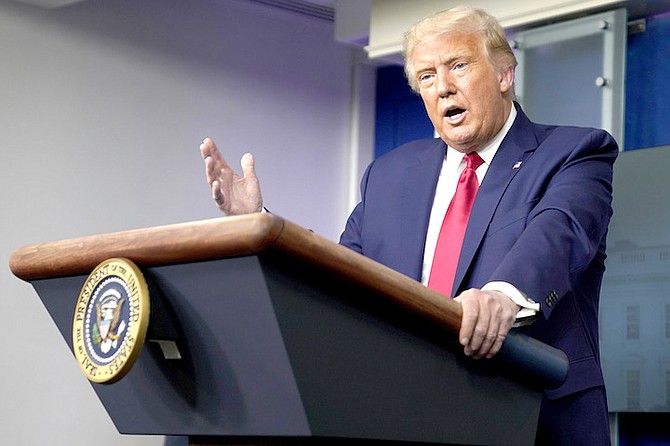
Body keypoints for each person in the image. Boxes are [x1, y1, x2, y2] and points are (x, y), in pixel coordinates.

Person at [201, 6, 617, 444]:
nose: (443, 88)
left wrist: (502, 297)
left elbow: (557, 235)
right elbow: (342, 274)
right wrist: (261, 230)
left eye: (458, 65)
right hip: (405, 415)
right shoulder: (389, 174)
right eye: (427, 77)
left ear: (504, 73)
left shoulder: (574, 153)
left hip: (532, 419)